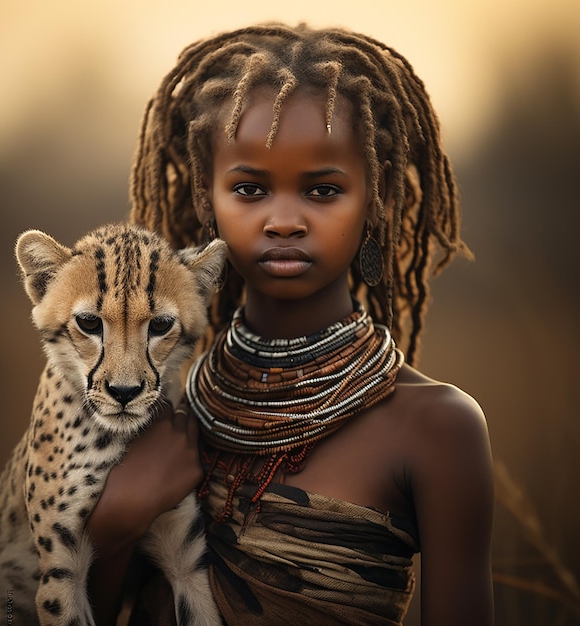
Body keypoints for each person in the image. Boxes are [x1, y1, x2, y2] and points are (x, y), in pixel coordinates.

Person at [86, 23, 494, 625]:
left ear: (374, 198)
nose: (283, 220)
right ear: (207, 200)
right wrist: (114, 523)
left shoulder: (436, 428)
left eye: (323, 190)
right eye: (249, 188)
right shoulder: (154, 412)